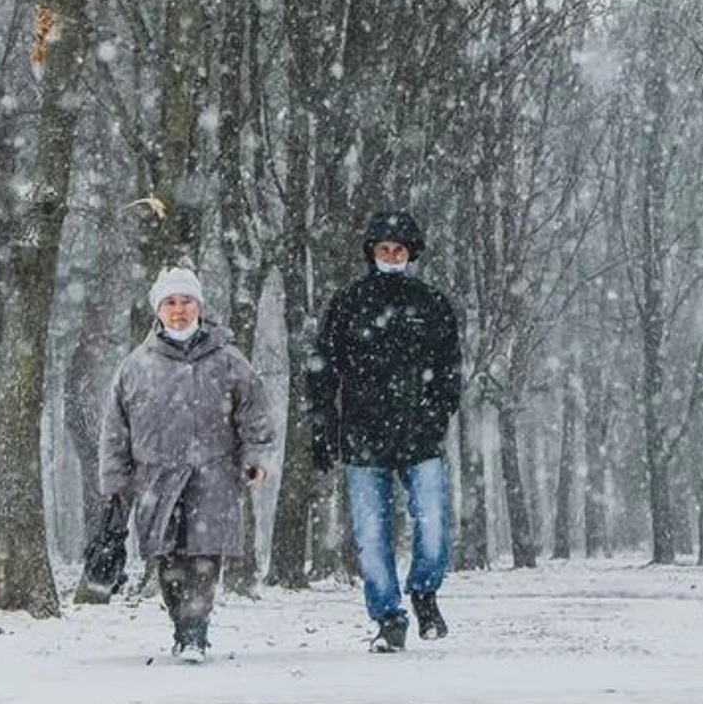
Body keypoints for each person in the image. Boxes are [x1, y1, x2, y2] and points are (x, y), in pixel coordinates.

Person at [99, 266, 274, 662]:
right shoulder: (136, 366)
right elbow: (116, 428)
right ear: (158, 310)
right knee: (168, 557)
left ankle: (195, 631)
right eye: (171, 303)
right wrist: (115, 480)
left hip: (213, 474)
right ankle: (182, 624)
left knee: (205, 555)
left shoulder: (228, 361)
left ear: (199, 305)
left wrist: (256, 457)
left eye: (186, 301)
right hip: (155, 478)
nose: (179, 310)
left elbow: (255, 413)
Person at [306, 211, 463, 652]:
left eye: (398, 249)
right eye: (383, 250)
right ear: (370, 254)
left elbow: (449, 367)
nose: (391, 256)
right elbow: (322, 370)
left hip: (420, 437)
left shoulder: (431, 304)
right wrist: (322, 425)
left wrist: (437, 413)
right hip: (362, 437)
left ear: (411, 254)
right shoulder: (348, 304)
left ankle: (425, 591)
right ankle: (388, 617)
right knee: (371, 536)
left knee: (432, 527)